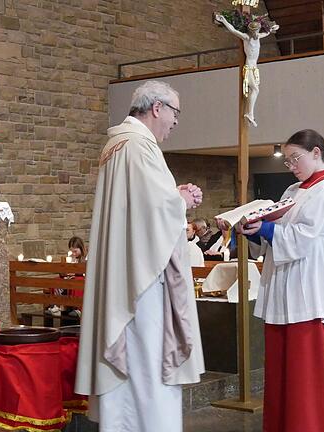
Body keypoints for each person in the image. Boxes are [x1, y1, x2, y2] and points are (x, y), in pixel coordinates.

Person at [76, 80, 205, 432]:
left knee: (134, 360)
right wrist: (183, 202)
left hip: (128, 268)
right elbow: (154, 212)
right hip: (142, 280)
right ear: (157, 108)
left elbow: (139, 204)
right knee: (148, 358)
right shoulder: (138, 146)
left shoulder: (120, 143)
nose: (176, 122)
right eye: (175, 113)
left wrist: (173, 194)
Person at [233, 129, 324, 432]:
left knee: (305, 377)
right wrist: (253, 229)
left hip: (310, 295)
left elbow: (305, 240)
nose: (291, 165)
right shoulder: (292, 191)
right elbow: (276, 239)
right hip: (284, 292)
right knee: (282, 375)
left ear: (316, 153)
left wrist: (269, 231)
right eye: (287, 161)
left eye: (295, 158)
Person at [214, 15, 279, 127]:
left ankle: (250, 113)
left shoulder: (258, 36)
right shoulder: (246, 38)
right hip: (248, 66)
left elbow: (267, 33)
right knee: (255, 89)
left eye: (257, 30)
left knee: (255, 89)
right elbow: (233, 30)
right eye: (254, 30)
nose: (256, 32)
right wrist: (224, 20)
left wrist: (272, 29)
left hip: (255, 67)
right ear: (251, 30)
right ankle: (249, 113)